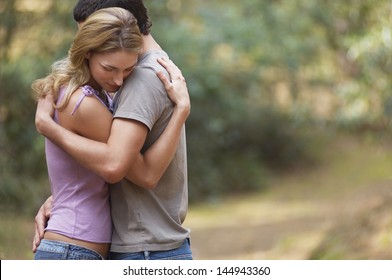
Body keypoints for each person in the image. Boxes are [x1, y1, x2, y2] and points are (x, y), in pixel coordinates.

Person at [34, 0, 193, 260]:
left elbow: (119, 165)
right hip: (123, 246)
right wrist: (62, 198)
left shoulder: (141, 78)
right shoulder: (95, 93)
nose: (84, 42)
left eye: (92, 30)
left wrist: (49, 128)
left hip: (146, 250)